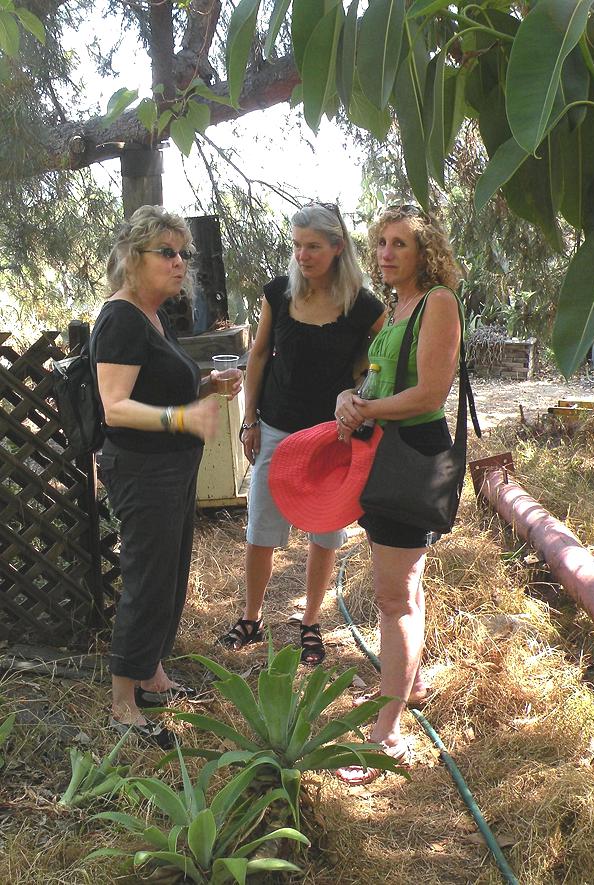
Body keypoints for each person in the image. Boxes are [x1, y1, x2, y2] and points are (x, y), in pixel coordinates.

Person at [93, 205, 242, 747]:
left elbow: (158, 386)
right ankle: (122, 701)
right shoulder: (121, 318)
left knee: (171, 571)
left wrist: (206, 386)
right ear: (134, 259)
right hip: (142, 469)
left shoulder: (153, 316)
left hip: (171, 467)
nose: (180, 263)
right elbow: (115, 406)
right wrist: (182, 416)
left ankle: (151, 672)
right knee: (147, 577)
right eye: (167, 253)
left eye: (184, 253)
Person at [218, 203, 385, 664]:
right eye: (296, 245)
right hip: (275, 428)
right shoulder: (278, 293)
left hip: (332, 439)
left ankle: (311, 623)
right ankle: (250, 619)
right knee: (260, 530)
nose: (302, 255)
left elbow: (387, 356)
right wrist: (249, 419)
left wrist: (363, 390)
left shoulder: (364, 306)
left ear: (337, 247)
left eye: (312, 246)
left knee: (325, 533)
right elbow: (258, 356)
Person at [333, 203, 462, 784]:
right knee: (408, 587)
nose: (385, 253)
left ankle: (386, 733)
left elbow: (429, 394)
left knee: (394, 600)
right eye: (381, 242)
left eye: (399, 244)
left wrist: (365, 409)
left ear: (425, 253)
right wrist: (350, 397)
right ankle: (408, 682)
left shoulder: (437, 302)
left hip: (410, 453)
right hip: (388, 453)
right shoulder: (394, 309)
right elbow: (377, 379)